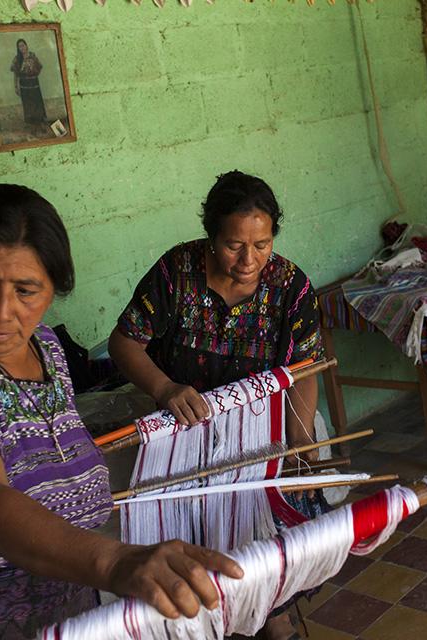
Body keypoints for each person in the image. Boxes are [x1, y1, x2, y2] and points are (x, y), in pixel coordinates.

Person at [0, 184, 242, 639]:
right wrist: (117, 561)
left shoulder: (46, 346)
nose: (2, 312)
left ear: (54, 289)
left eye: (26, 290)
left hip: (61, 597)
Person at [109, 170, 325, 640]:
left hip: (257, 431)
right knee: (189, 541)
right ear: (211, 237)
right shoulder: (176, 272)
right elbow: (124, 342)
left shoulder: (290, 288)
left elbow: (305, 369)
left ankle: (271, 616)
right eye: (233, 245)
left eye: (262, 244)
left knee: (263, 551)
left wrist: (298, 444)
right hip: (182, 430)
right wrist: (166, 389)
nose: (249, 260)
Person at [11, 38, 47, 132]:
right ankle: (33, 127)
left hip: (34, 84)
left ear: (26, 46)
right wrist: (16, 86)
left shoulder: (32, 56)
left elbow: (39, 67)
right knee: (28, 106)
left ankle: (41, 125)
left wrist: (32, 73)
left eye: (23, 45)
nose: (22, 47)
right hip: (24, 86)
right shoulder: (17, 59)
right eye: (19, 46)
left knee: (37, 104)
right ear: (18, 49)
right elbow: (15, 74)